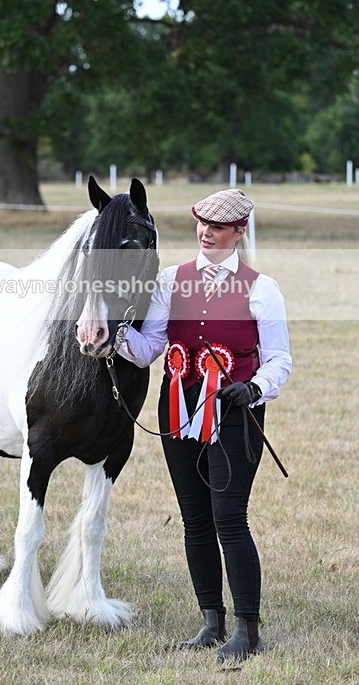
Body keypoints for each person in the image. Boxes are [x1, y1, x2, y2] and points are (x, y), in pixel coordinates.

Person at [118, 188, 292, 662]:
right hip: (178, 407)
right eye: (201, 224)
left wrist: (254, 389)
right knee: (194, 520)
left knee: (229, 518)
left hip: (235, 411)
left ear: (239, 232)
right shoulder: (172, 281)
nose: (206, 232)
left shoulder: (261, 288)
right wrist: (111, 334)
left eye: (217, 227)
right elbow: (151, 346)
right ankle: (211, 621)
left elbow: (279, 360)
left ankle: (247, 630)